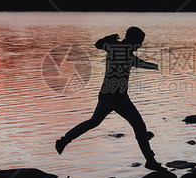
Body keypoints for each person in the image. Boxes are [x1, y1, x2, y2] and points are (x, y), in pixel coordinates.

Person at [56, 26, 160, 168]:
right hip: (118, 98)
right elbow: (134, 61)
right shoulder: (121, 49)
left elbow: (100, 45)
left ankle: (64, 140)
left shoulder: (117, 47)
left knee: (94, 122)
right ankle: (150, 160)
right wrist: (154, 66)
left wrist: (153, 66)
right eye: (139, 42)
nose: (140, 45)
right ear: (132, 40)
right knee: (139, 125)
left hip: (105, 95)